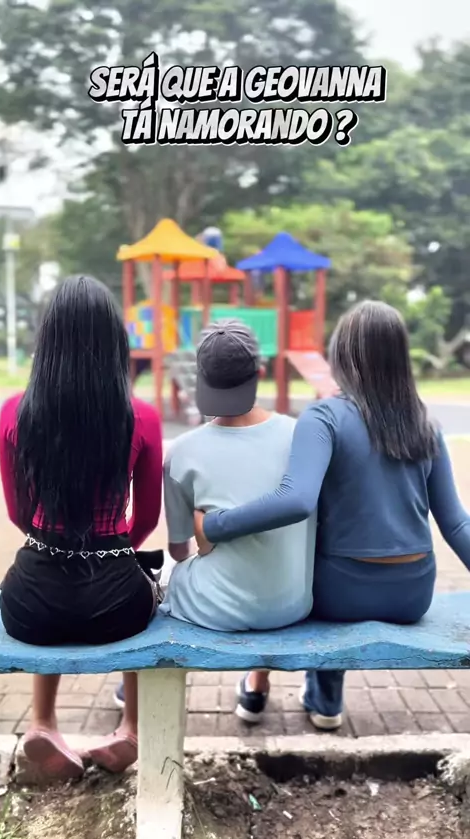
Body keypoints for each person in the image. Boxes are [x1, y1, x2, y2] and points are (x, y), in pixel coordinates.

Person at [195, 300, 470, 729]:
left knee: (291, 574)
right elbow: (455, 523)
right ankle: (324, 701)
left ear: (341, 354)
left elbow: (296, 500)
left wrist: (214, 526)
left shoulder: (324, 416)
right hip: (412, 594)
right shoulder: (425, 424)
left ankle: (257, 681)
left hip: (340, 594)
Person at [0, 275, 163, 778]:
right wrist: (113, 550)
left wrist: (58, 543)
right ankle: (131, 728)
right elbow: (147, 518)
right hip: (117, 608)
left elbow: (18, 514)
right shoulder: (141, 417)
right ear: (115, 344)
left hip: (28, 608)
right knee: (147, 582)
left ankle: (43, 723)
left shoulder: (14, 413)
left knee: (44, 581)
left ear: (47, 341)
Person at [160, 319, 316, 722]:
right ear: (260, 373)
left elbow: (179, 550)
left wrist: (206, 534)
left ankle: (133, 687)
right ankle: (257, 682)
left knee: (163, 580)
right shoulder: (301, 437)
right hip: (291, 604)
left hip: (216, 610)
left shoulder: (181, 452)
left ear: (200, 378)